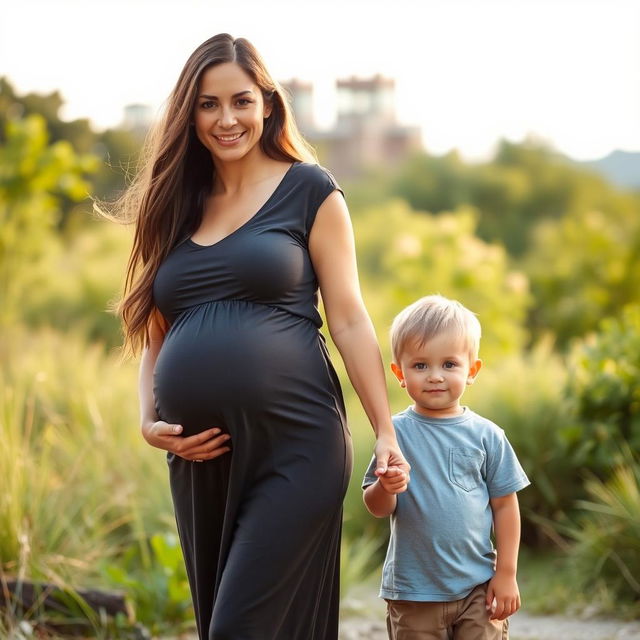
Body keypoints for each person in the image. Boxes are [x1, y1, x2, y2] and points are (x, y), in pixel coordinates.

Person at [108, 33, 410, 640]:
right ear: (188, 114)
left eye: (241, 101)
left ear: (268, 104)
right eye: (208, 104)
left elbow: (349, 318)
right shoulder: (173, 206)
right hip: (201, 456)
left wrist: (384, 431)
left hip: (297, 443)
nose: (227, 119)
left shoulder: (310, 190)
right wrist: (149, 421)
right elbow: (156, 331)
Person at [362, 295, 530, 640]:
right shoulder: (394, 435)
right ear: (399, 374)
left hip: (478, 588)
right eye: (420, 365)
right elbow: (376, 507)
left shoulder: (487, 436)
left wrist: (507, 573)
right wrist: (386, 488)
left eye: (449, 364)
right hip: (414, 593)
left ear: (472, 371)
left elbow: (505, 505)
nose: (435, 376)